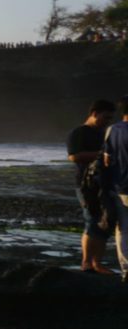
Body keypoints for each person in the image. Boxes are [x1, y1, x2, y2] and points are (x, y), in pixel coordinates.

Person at [67, 99, 116, 274]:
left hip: (105, 182)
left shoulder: (106, 132)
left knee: (105, 222)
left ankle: (98, 262)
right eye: (105, 117)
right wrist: (101, 155)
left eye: (110, 118)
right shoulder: (79, 133)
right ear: (94, 113)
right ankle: (87, 262)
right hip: (85, 184)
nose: (108, 121)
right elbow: (74, 156)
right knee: (92, 220)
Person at [104, 95, 128, 282]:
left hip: (119, 186)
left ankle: (126, 271)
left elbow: (107, 160)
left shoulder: (112, 130)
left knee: (123, 229)